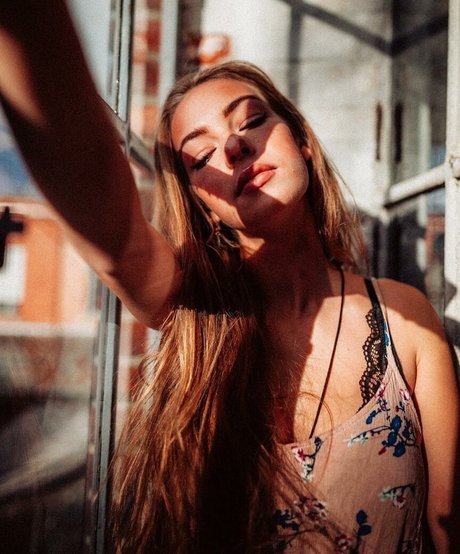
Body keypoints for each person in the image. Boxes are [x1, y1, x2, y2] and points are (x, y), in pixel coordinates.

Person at [1, 3, 459, 553]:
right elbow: (103, 208)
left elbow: (448, 530)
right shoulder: (191, 306)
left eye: (251, 121)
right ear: (204, 205)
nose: (235, 147)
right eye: (201, 158)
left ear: (302, 142)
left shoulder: (406, 320)